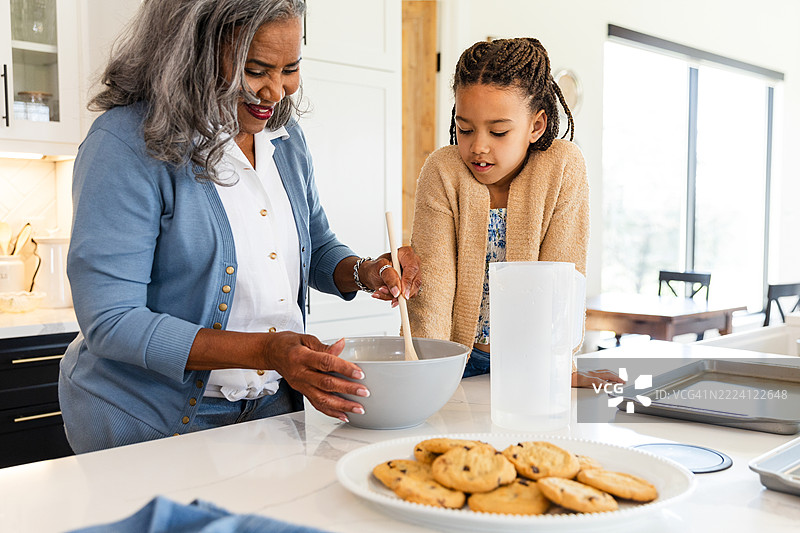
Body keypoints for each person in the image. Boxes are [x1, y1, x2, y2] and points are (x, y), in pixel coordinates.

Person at [59, 0, 421, 454]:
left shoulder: (284, 139)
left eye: (291, 68)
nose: (276, 92)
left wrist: (364, 272)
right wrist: (266, 352)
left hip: (271, 408)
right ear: (191, 53)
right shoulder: (126, 143)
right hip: (148, 421)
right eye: (255, 70)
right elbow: (112, 321)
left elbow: (314, 245)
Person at [405, 37, 619, 388]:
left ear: (536, 126)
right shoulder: (443, 170)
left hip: (532, 363)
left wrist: (559, 368)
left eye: (499, 131)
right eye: (465, 129)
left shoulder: (563, 167)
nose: (478, 146)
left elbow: (563, 276)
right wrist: (424, 371)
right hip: (455, 361)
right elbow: (434, 289)